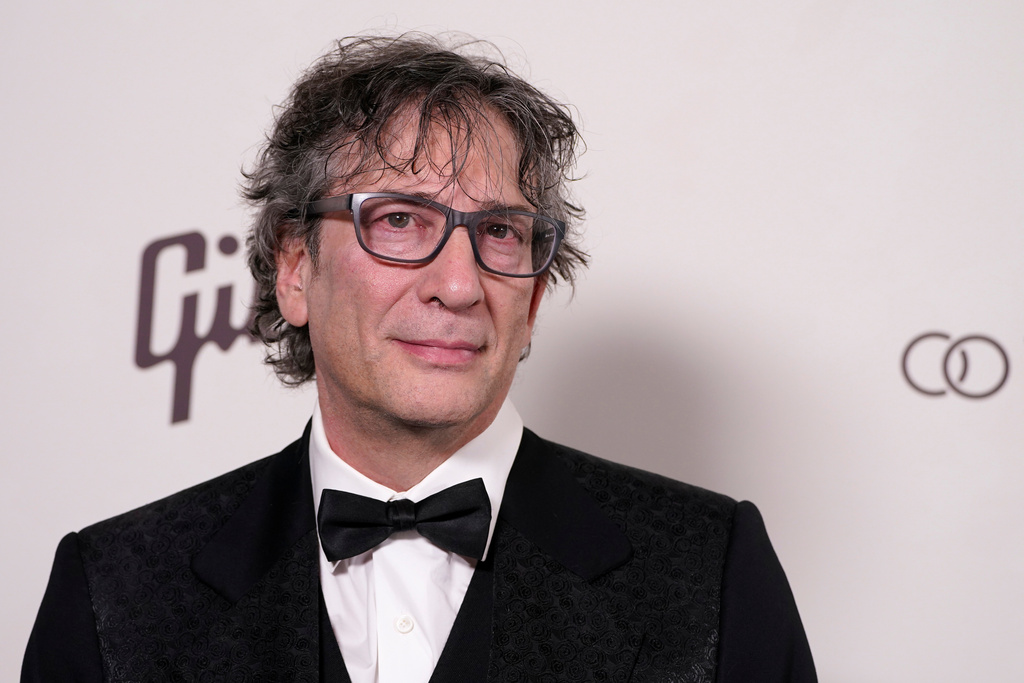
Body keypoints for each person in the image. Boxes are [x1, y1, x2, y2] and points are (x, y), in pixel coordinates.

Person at [23, 34, 816, 682]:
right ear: (295, 269)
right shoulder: (113, 593)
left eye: (501, 232)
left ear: (534, 295)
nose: (461, 284)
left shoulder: (714, 573)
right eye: (400, 220)